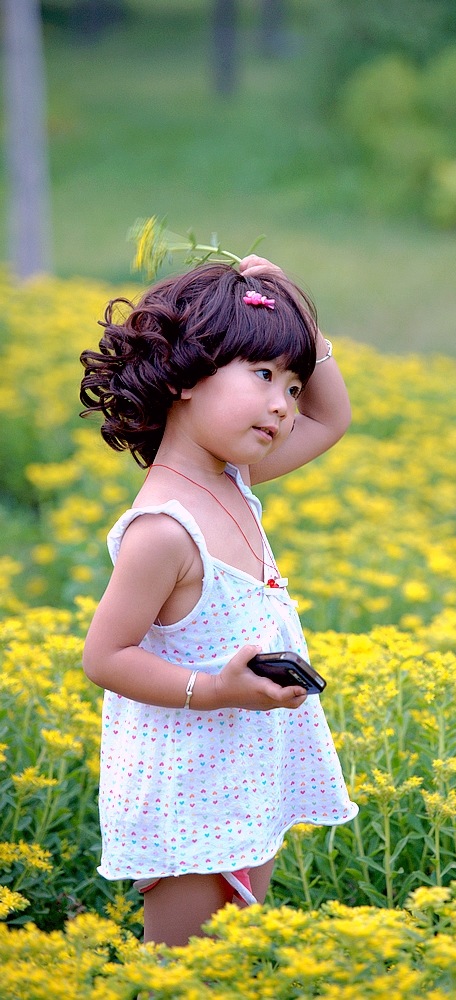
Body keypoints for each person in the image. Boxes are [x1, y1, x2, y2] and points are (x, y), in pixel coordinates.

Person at [79, 254, 358, 947]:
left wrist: (294, 309)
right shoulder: (164, 530)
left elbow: (334, 417)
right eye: (262, 375)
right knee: (179, 966)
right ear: (183, 377)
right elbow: (105, 656)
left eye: (293, 385)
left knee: (230, 956)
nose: (283, 404)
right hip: (183, 790)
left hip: (246, 770)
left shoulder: (233, 478)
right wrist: (216, 690)